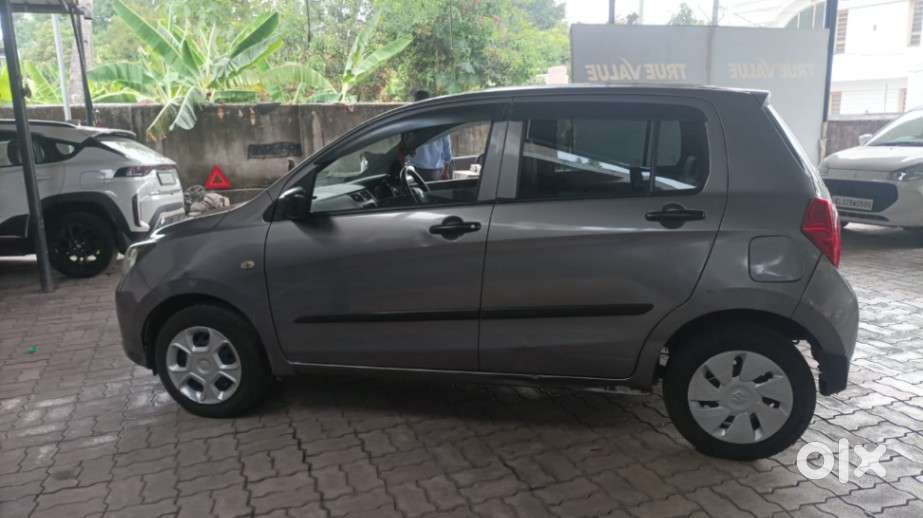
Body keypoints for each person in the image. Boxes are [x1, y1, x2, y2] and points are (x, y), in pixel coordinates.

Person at [408, 90, 452, 181]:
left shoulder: (412, 120)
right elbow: (447, 148)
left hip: (419, 168)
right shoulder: (440, 120)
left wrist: (446, 170)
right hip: (432, 168)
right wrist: (446, 170)